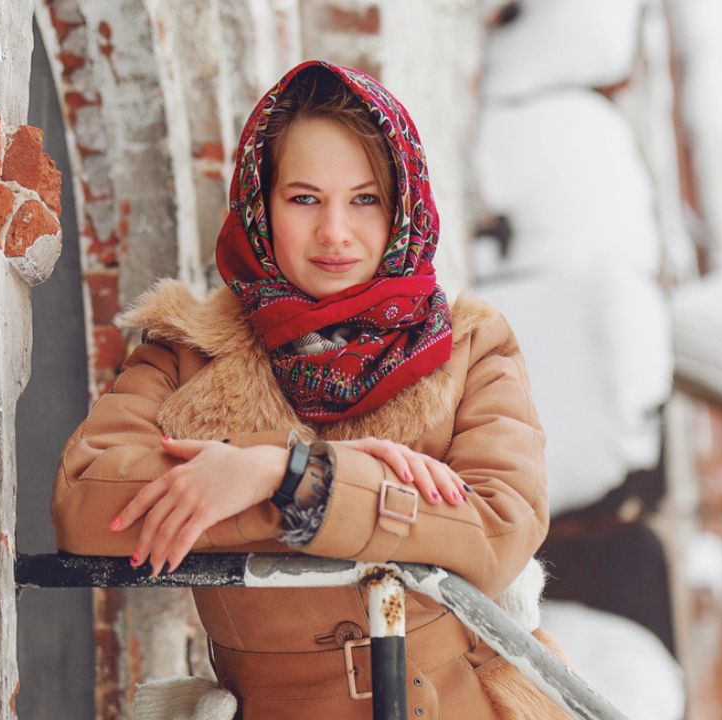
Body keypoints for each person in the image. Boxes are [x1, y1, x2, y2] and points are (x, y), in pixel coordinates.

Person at [52, 60, 566, 720]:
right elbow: (88, 503)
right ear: (260, 205)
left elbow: (499, 530)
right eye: (303, 198)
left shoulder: (470, 347)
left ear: (402, 207)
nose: (335, 233)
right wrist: (303, 495)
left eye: (365, 199)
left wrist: (289, 477)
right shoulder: (188, 348)